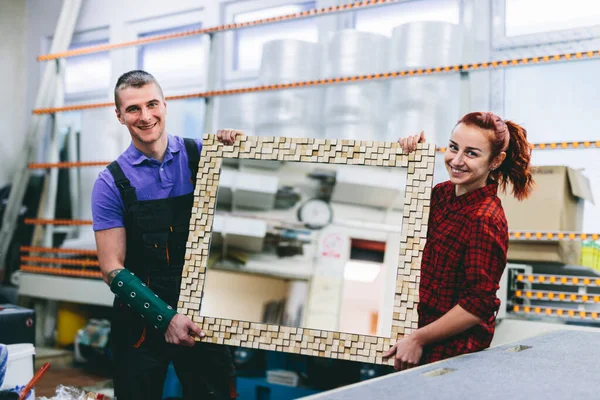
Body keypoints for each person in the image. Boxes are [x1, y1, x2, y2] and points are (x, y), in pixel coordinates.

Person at [91, 70, 242, 399]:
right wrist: (166, 318)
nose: (145, 117)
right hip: (140, 321)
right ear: (119, 116)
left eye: (152, 104)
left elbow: (251, 194)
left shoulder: (202, 155)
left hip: (202, 310)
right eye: (133, 109)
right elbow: (111, 268)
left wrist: (237, 147)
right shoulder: (109, 182)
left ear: (165, 105)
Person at [383, 112, 534, 371]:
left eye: (472, 153)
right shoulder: (442, 194)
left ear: (495, 161)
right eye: (453, 147)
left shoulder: (484, 219)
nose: (457, 160)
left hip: (452, 355)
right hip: (419, 337)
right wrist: (410, 157)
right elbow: (410, 233)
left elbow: (477, 305)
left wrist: (418, 339)